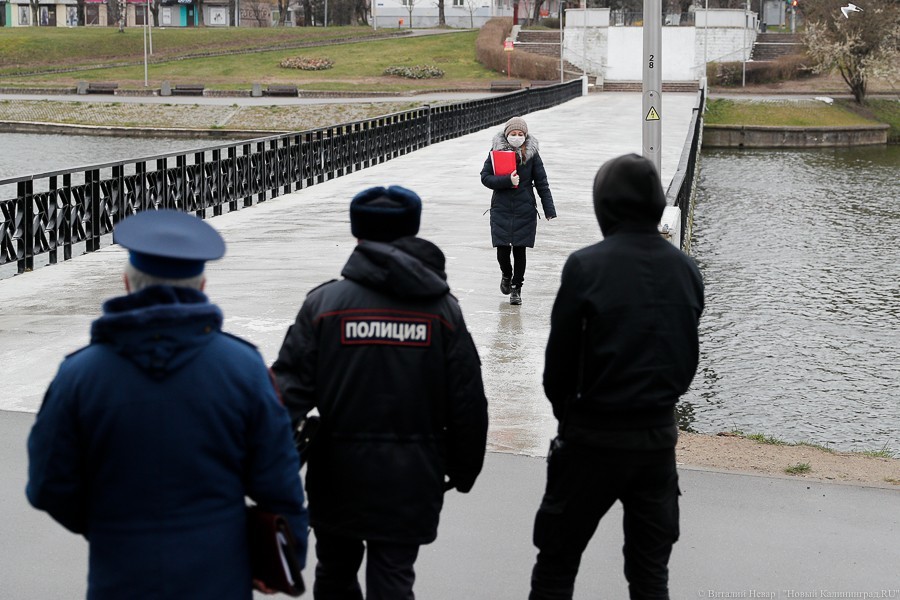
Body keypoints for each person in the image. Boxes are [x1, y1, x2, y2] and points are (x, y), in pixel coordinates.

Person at [26, 210, 308, 600]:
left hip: (120, 577)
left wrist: (107, 526)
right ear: (202, 285)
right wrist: (287, 558)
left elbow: (47, 485)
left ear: (127, 283)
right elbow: (279, 481)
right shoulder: (245, 369)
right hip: (218, 576)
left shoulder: (79, 374)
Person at [272, 185, 489, 600]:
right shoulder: (443, 311)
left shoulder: (325, 304)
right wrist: (464, 470)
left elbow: (288, 394)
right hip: (413, 474)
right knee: (394, 577)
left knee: (334, 573)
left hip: (337, 471)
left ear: (356, 234)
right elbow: (467, 401)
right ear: (413, 231)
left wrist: (268, 468)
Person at [529, 154, 704, 600]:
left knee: (557, 563)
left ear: (602, 204)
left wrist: (569, 414)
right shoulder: (685, 270)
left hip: (592, 436)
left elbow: (558, 366)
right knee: (649, 574)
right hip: (657, 439)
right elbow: (686, 359)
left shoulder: (586, 266)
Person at [480, 116, 557, 305]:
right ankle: (506, 274)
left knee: (520, 250)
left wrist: (549, 208)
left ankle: (517, 288)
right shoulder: (495, 152)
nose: (517, 137)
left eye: (520, 134)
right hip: (501, 208)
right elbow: (485, 177)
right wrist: (507, 181)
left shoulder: (532, 155)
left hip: (525, 208)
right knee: (502, 250)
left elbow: (542, 182)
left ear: (525, 135)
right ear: (507, 135)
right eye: (513, 134)